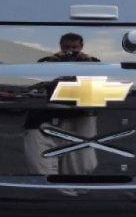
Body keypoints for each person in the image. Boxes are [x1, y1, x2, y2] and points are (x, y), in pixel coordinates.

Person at [24, 33, 100, 175]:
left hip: (80, 115)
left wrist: (88, 62)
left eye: (74, 48)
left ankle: (73, 190)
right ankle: (52, 190)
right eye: (66, 47)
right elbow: (37, 77)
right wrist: (54, 61)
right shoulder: (48, 61)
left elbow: (99, 83)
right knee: (42, 165)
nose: (70, 51)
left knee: (83, 164)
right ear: (60, 47)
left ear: (82, 47)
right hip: (49, 115)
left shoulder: (92, 62)